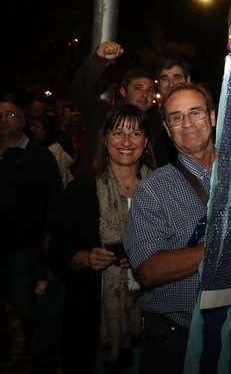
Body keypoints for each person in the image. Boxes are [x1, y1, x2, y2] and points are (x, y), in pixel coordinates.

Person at [124, 83, 231, 374]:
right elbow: (147, 270)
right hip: (177, 339)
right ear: (167, 128)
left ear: (212, 117)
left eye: (195, 113)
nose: (187, 124)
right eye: (176, 117)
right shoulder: (153, 190)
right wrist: (218, 245)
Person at [49, 104, 154, 373]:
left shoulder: (162, 189)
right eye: (118, 133)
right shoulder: (81, 191)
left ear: (146, 141)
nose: (127, 142)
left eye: (136, 133)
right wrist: (85, 258)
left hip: (153, 315)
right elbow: (56, 253)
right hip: (94, 318)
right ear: (105, 139)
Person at [0, 97, 62, 369]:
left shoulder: (39, 156)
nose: (4, 120)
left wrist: (49, 237)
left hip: (24, 245)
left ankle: (45, 347)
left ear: (23, 121)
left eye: (11, 115)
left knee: (22, 300)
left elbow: (54, 198)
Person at [71, 40, 172, 177]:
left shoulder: (158, 125)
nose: (145, 95)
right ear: (123, 92)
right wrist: (98, 60)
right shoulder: (102, 114)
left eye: (150, 90)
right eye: (138, 88)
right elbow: (80, 90)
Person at [31, 113, 75, 188]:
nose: (31, 129)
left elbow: (60, 178)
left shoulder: (54, 150)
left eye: (36, 126)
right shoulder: (38, 147)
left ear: (45, 130)